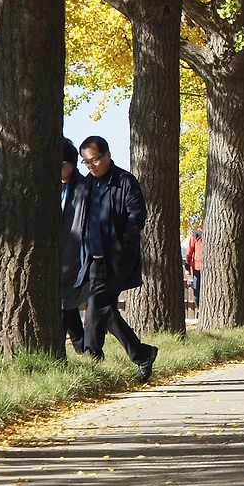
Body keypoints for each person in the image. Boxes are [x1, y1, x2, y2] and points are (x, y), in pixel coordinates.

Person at [77, 136, 157, 381]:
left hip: (117, 260)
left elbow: (137, 217)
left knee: (96, 304)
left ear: (107, 155)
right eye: (86, 162)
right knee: (103, 308)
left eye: (95, 160)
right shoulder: (87, 184)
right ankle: (142, 354)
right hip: (93, 259)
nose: (91, 166)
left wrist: (123, 246)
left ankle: (92, 359)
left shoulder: (125, 181)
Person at [60, 139, 88, 355]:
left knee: (65, 303)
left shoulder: (83, 188)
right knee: (66, 306)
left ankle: (83, 349)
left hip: (73, 255)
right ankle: (84, 349)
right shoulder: (52, 187)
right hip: (58, 256)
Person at [183, 222, 203, 310]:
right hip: (197, 269)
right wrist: (187, 269)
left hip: (207, 269)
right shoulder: (196, 234)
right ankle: (199, 309)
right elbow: (189, 253)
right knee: (196, 292)